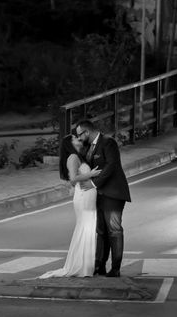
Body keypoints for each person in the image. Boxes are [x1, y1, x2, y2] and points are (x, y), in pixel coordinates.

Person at [38, 134, 101, 278]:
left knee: (89, 228)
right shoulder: (72, 158)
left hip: (88, 195)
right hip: (83, 195)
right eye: (75, 138)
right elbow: (73, 180)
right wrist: (90, 174)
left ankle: (87, 265)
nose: (79, 139)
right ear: (70, 143)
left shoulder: (78, 155)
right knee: (85, 227)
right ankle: (82, 266)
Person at [74, 119, 132, 278]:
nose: (79, 138)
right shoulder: (87, 147)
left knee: (114, 230)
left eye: (80, 135)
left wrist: (93, 183)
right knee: (100, 231)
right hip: (97, 196)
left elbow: (111, 166)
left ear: (87, 132)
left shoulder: (108, 142)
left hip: (113, 193)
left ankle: (116, 268)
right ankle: (99, 265)